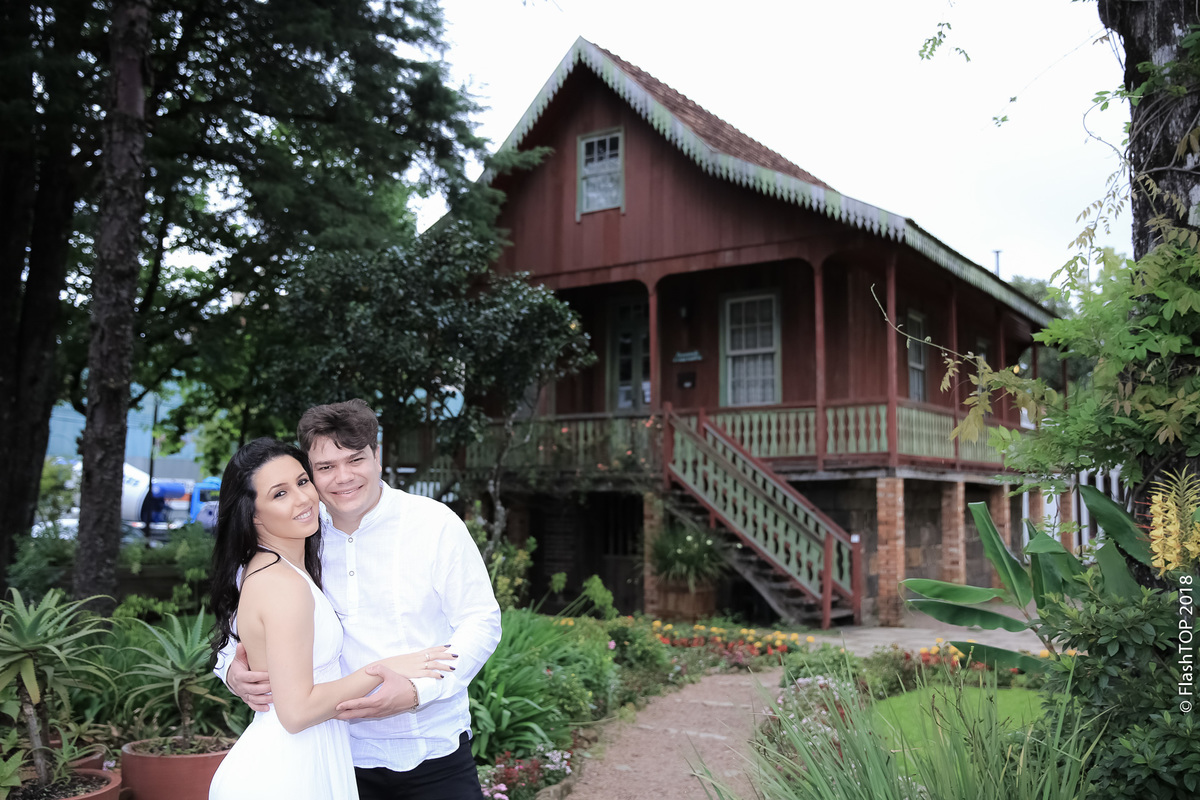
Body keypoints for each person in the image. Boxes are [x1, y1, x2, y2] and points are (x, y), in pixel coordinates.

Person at [219, 400, 502, 800]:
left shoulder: (432, 523)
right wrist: (231, 668)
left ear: (377, 456)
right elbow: (237, 626)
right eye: (325, 468)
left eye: (355, 459)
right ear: (310, 472)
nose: (343, 478)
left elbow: (481, 621)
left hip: (429, 750)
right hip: (336, 758)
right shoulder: (295, 534)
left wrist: (419, 690)